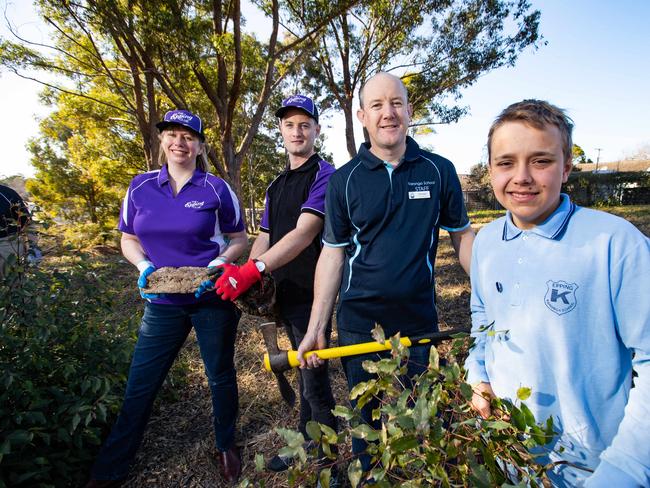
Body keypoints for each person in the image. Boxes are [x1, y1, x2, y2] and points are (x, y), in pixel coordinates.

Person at [296, 72, 475, 475]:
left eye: (396, 103)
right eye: (377, 105)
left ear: (410, 111)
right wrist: (316, 326)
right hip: (359, 326)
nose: (388, 113)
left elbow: (462, 236)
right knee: (366, 427)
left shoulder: (439, 170)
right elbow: (332, 255)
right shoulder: (343, 181)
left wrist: (491, 296)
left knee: (427, 423)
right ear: (362, 115)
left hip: (419, 326)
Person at [464, 100, 650, 487]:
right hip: (510, 459)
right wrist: (478, 375)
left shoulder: (616, 244)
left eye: (541, 161)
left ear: (566, 167)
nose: (522, 177)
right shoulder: (486, 243)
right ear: (491, 170)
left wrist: (625, 469)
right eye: (506, 162)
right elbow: (483, 321)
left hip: (595, 470)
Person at [86, 110, 248, 487]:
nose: (180, 142)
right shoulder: (140, 187)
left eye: (188, 136)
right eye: (172, 134)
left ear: (200, 145)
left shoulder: (216, 189)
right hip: (161, 302)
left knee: (219, 375)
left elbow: (239, 238)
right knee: (141, 383)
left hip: (210, 297)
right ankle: (109, 469)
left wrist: (219, 263)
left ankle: (226, 443)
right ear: (161, 141)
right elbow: (128, 238)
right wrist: (142, 265)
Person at [214, 95, 339, 480]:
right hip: (282, 292)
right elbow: (265, 234)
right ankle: (304, 444)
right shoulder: (276, 183)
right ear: (281, 131)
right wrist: (248, 272)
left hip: (311, 290)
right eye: (289, 125)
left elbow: (305, 232)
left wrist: (255, 268)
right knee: (303, 371)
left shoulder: (326, 174)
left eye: (305, 124)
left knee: (315, 376)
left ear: (316, 130)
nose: (297, 131)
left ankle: (331, 461)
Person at [0, 183, 42, 272]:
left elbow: (27, 222)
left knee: (12, 282)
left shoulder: (6, 194)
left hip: (7, 245)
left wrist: (34, 248)